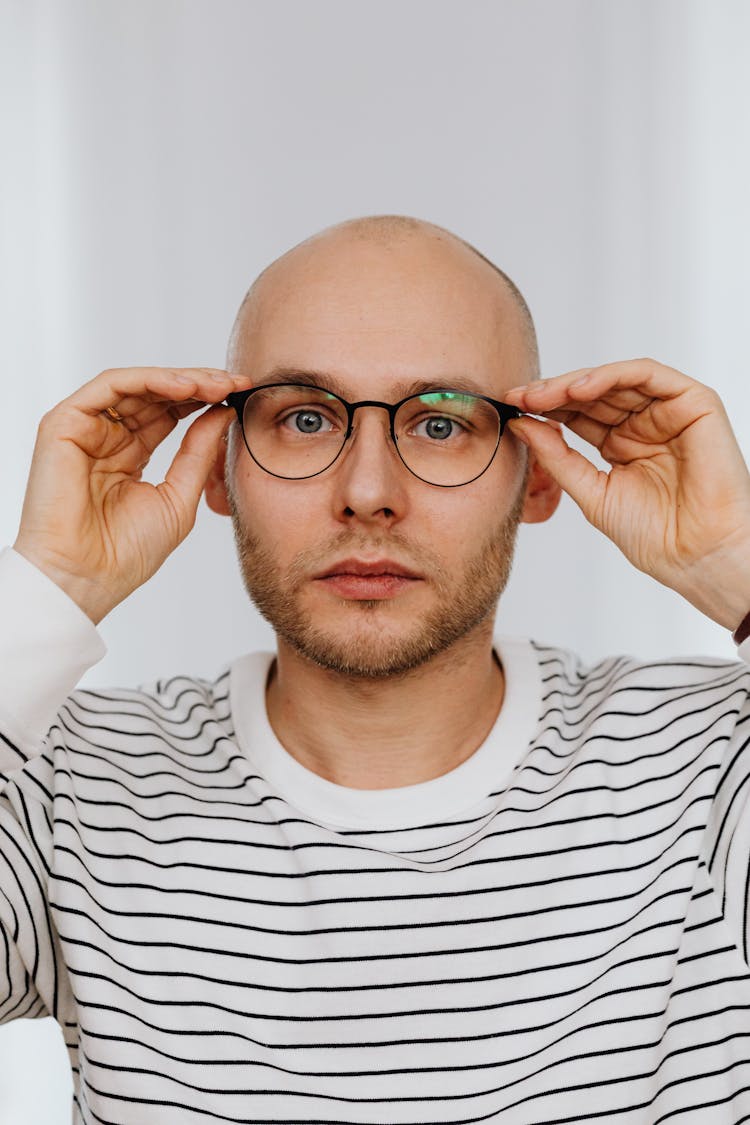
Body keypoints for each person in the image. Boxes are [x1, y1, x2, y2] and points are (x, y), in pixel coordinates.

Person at [2, 213, 750, 1125]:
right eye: (306, 418)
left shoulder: (710, 769)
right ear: (218, 469)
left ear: (540, 472)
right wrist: (47, 590)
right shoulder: (67, 782)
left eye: (440, 423)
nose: (367, 493)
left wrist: (737, 563)